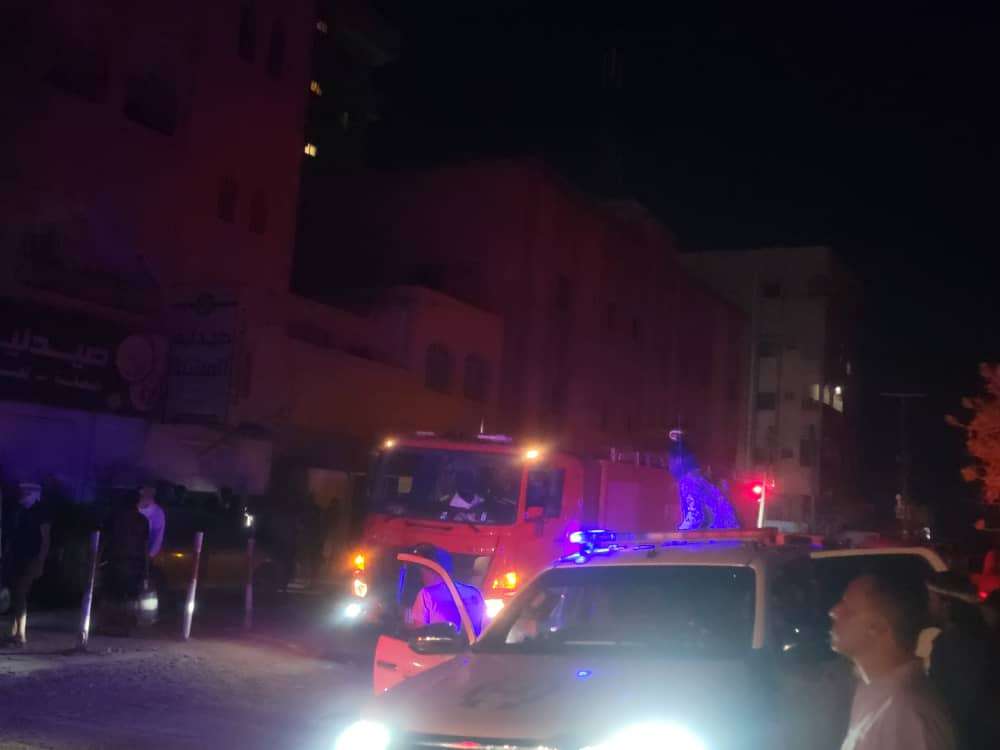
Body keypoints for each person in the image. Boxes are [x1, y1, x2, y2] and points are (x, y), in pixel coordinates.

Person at [829, 572, 955, 750]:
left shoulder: (907, 715)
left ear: (878, 627)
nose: (833, 612)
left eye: (848, 609)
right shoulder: (874, 691)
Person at [926, 572, 1000, 750]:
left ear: (946, 604)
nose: (928, 605)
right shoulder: (979, 635)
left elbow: (957, 703)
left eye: (931, 599)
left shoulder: (955, 643)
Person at [1, 482, 51, 646]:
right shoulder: (19, 511)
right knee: (15, 594)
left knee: (20, 592)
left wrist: (40, 562)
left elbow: (45, 539)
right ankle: (14, 633)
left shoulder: (41, 512)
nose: (23, 494)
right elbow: (12, 535)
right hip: (16, 558)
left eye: (27, 491)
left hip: (31, 559)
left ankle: (20, 635)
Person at [409, 543, 485, 637]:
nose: (421, 575)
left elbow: (418, 631)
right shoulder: (474, 592)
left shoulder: (426, 594)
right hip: (472, 645)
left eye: (422, 570)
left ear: (432, 571)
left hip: (441, 646)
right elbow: (485, 627)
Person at [136, 483, 165, 560]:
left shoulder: (158, 512)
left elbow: (158, 535)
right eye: (149, 489)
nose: (151, 493)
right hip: (128, 551)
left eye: (153, 490)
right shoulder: (131, 509)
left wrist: (151, 554)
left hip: (143, 554)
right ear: (141, 491)